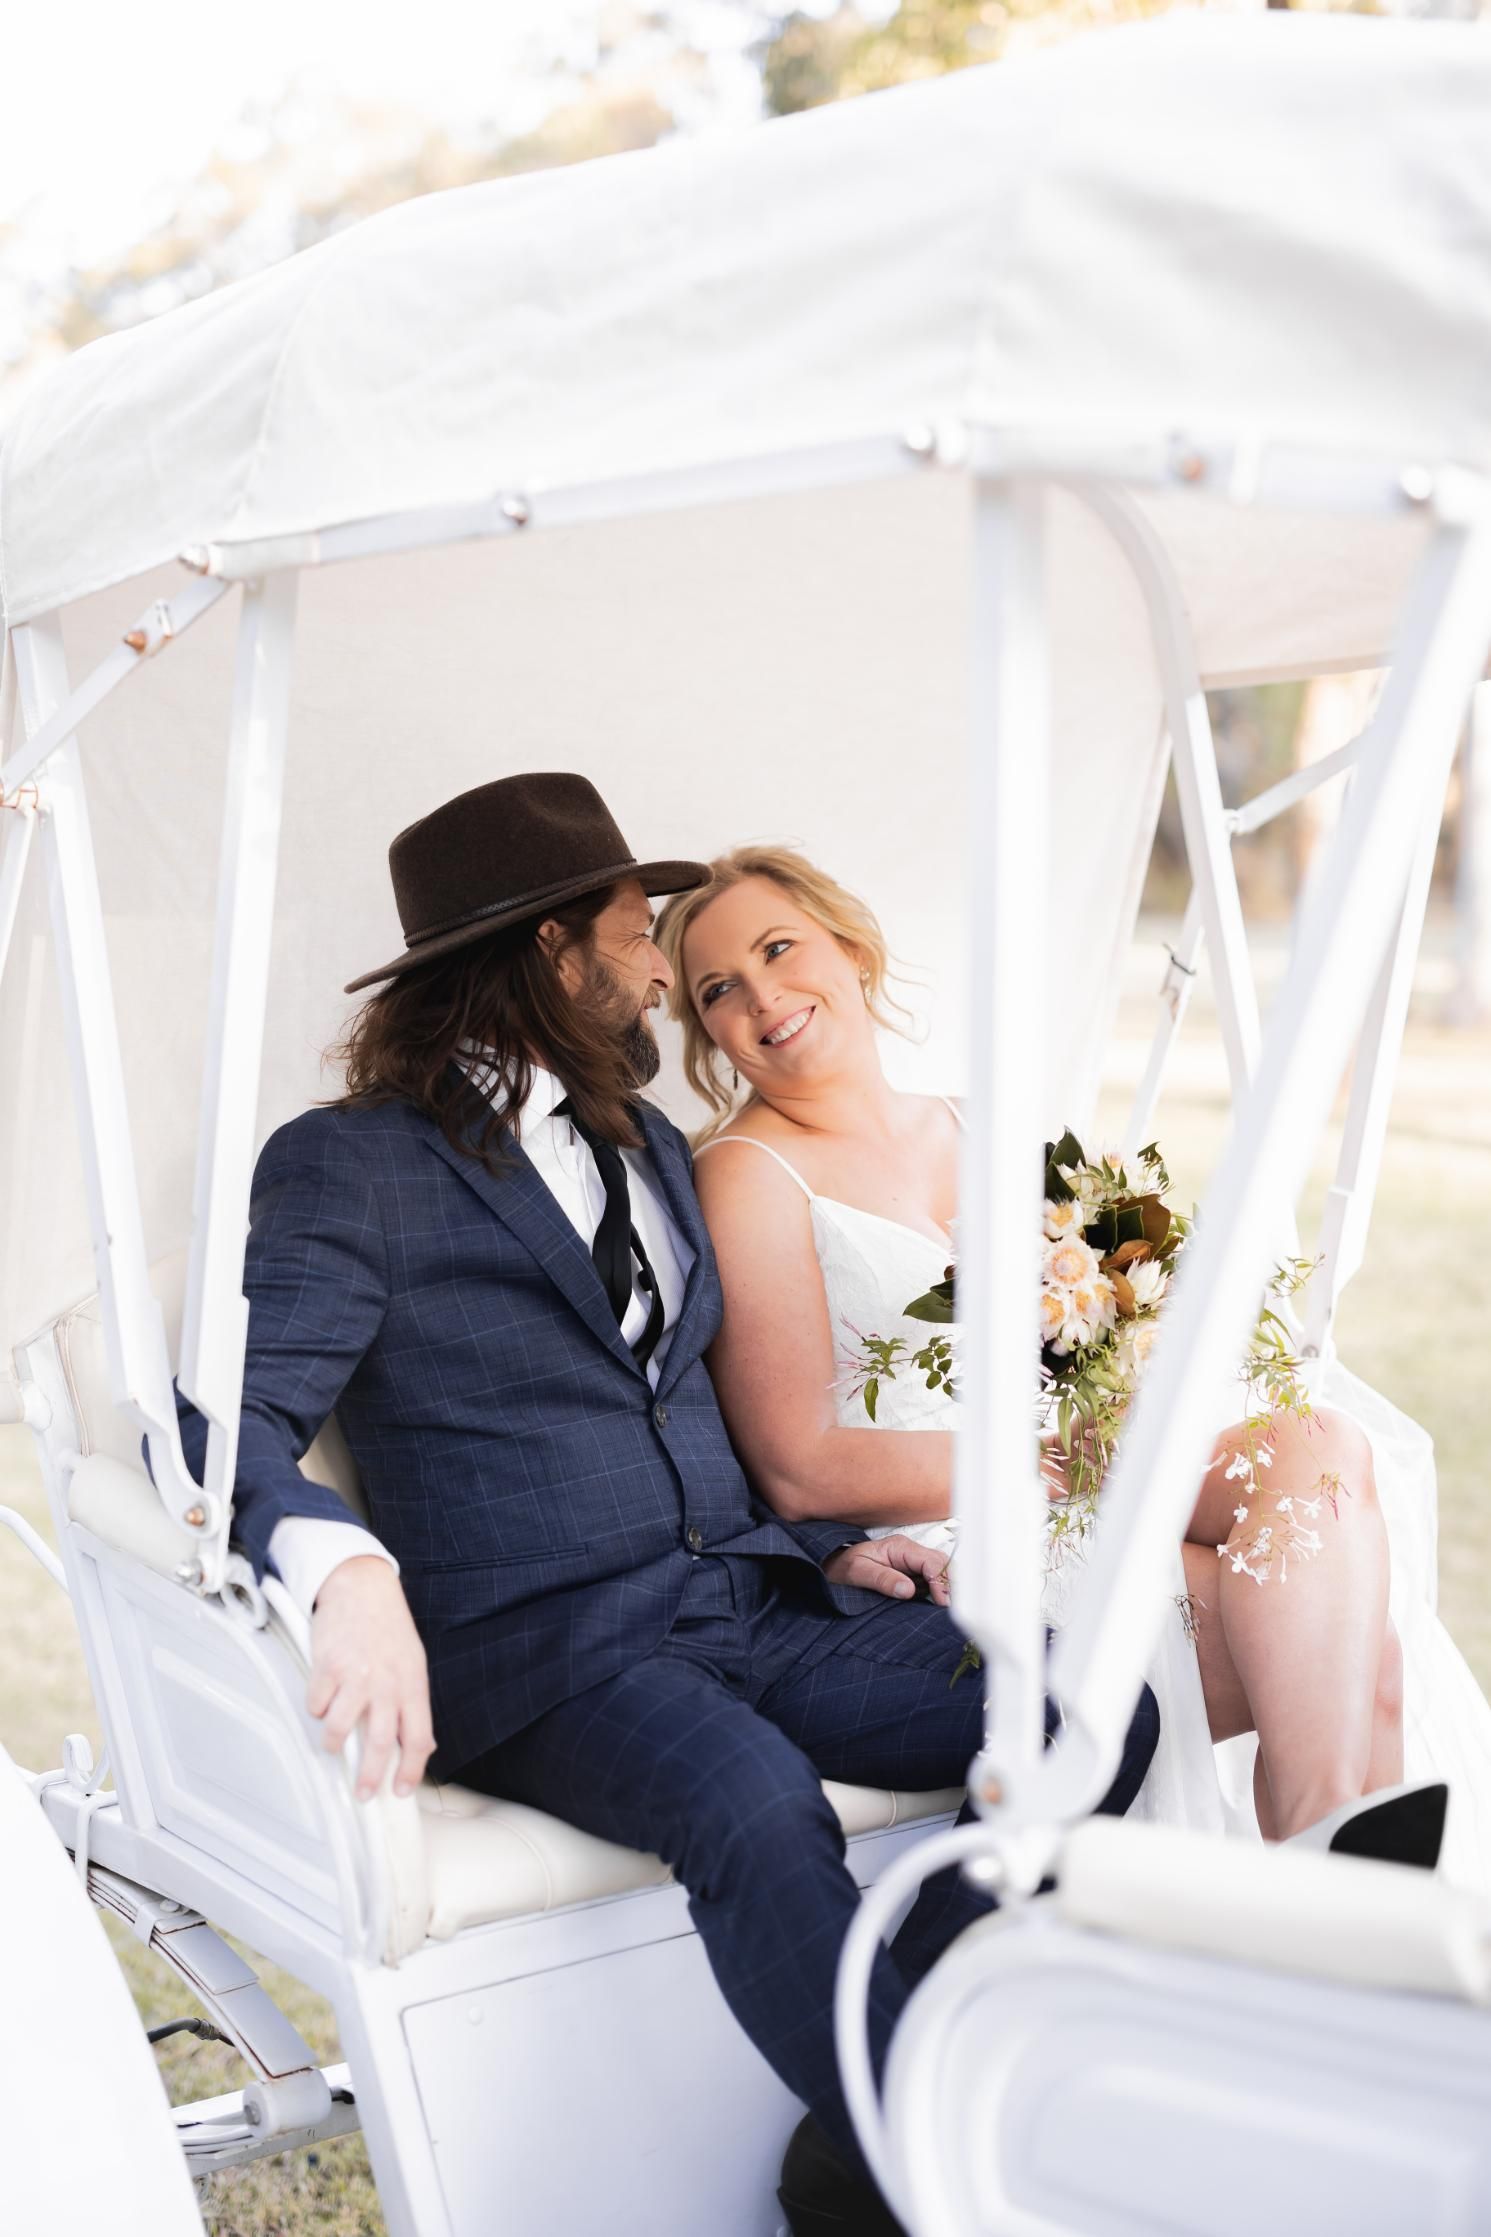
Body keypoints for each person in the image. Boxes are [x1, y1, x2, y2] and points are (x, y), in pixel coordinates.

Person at [168, 774, 1159, 2237]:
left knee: (1088, 1705)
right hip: (550, 1654)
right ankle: (950, 2184)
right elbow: (224, 1417)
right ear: (554, 950)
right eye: (640, 937)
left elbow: (687, 1401)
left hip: (749, 1601)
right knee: (749, 1798)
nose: (658, 975)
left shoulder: (643, 1141)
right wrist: (346, 1570)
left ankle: (879, 2101)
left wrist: (828, 1544)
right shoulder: (351, 1162)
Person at [656, 844, 1491, 1879]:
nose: (760, 995)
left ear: (852, 947)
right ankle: (1330, 1872)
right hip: (959, 1523)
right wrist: (1044, 1454)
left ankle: (1319, 1857)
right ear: (708, 1032)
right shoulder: (748, 1176)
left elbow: (1128, 1301)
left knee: (1318, 1451)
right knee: (1343, 1631)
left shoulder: (982, 1122)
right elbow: (799, 1467)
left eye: (778, 948)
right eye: (718, 989)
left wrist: (1143, 1363)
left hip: (1091, 1471)